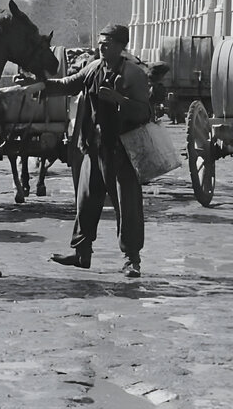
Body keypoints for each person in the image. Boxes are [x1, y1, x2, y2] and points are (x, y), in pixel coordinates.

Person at [43, 23, 152, 277]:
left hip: (122, 151)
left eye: (107, 43)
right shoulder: (93, 68)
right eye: (100, 42)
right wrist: (40, 84)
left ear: (121, 46)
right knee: (86, 201)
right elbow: (68, 84)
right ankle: (82, 253)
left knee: (127, 206)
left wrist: (119, 100)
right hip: (95, 148)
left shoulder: (134, 75)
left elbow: (145, 112)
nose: (101, 47)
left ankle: (132, 259)